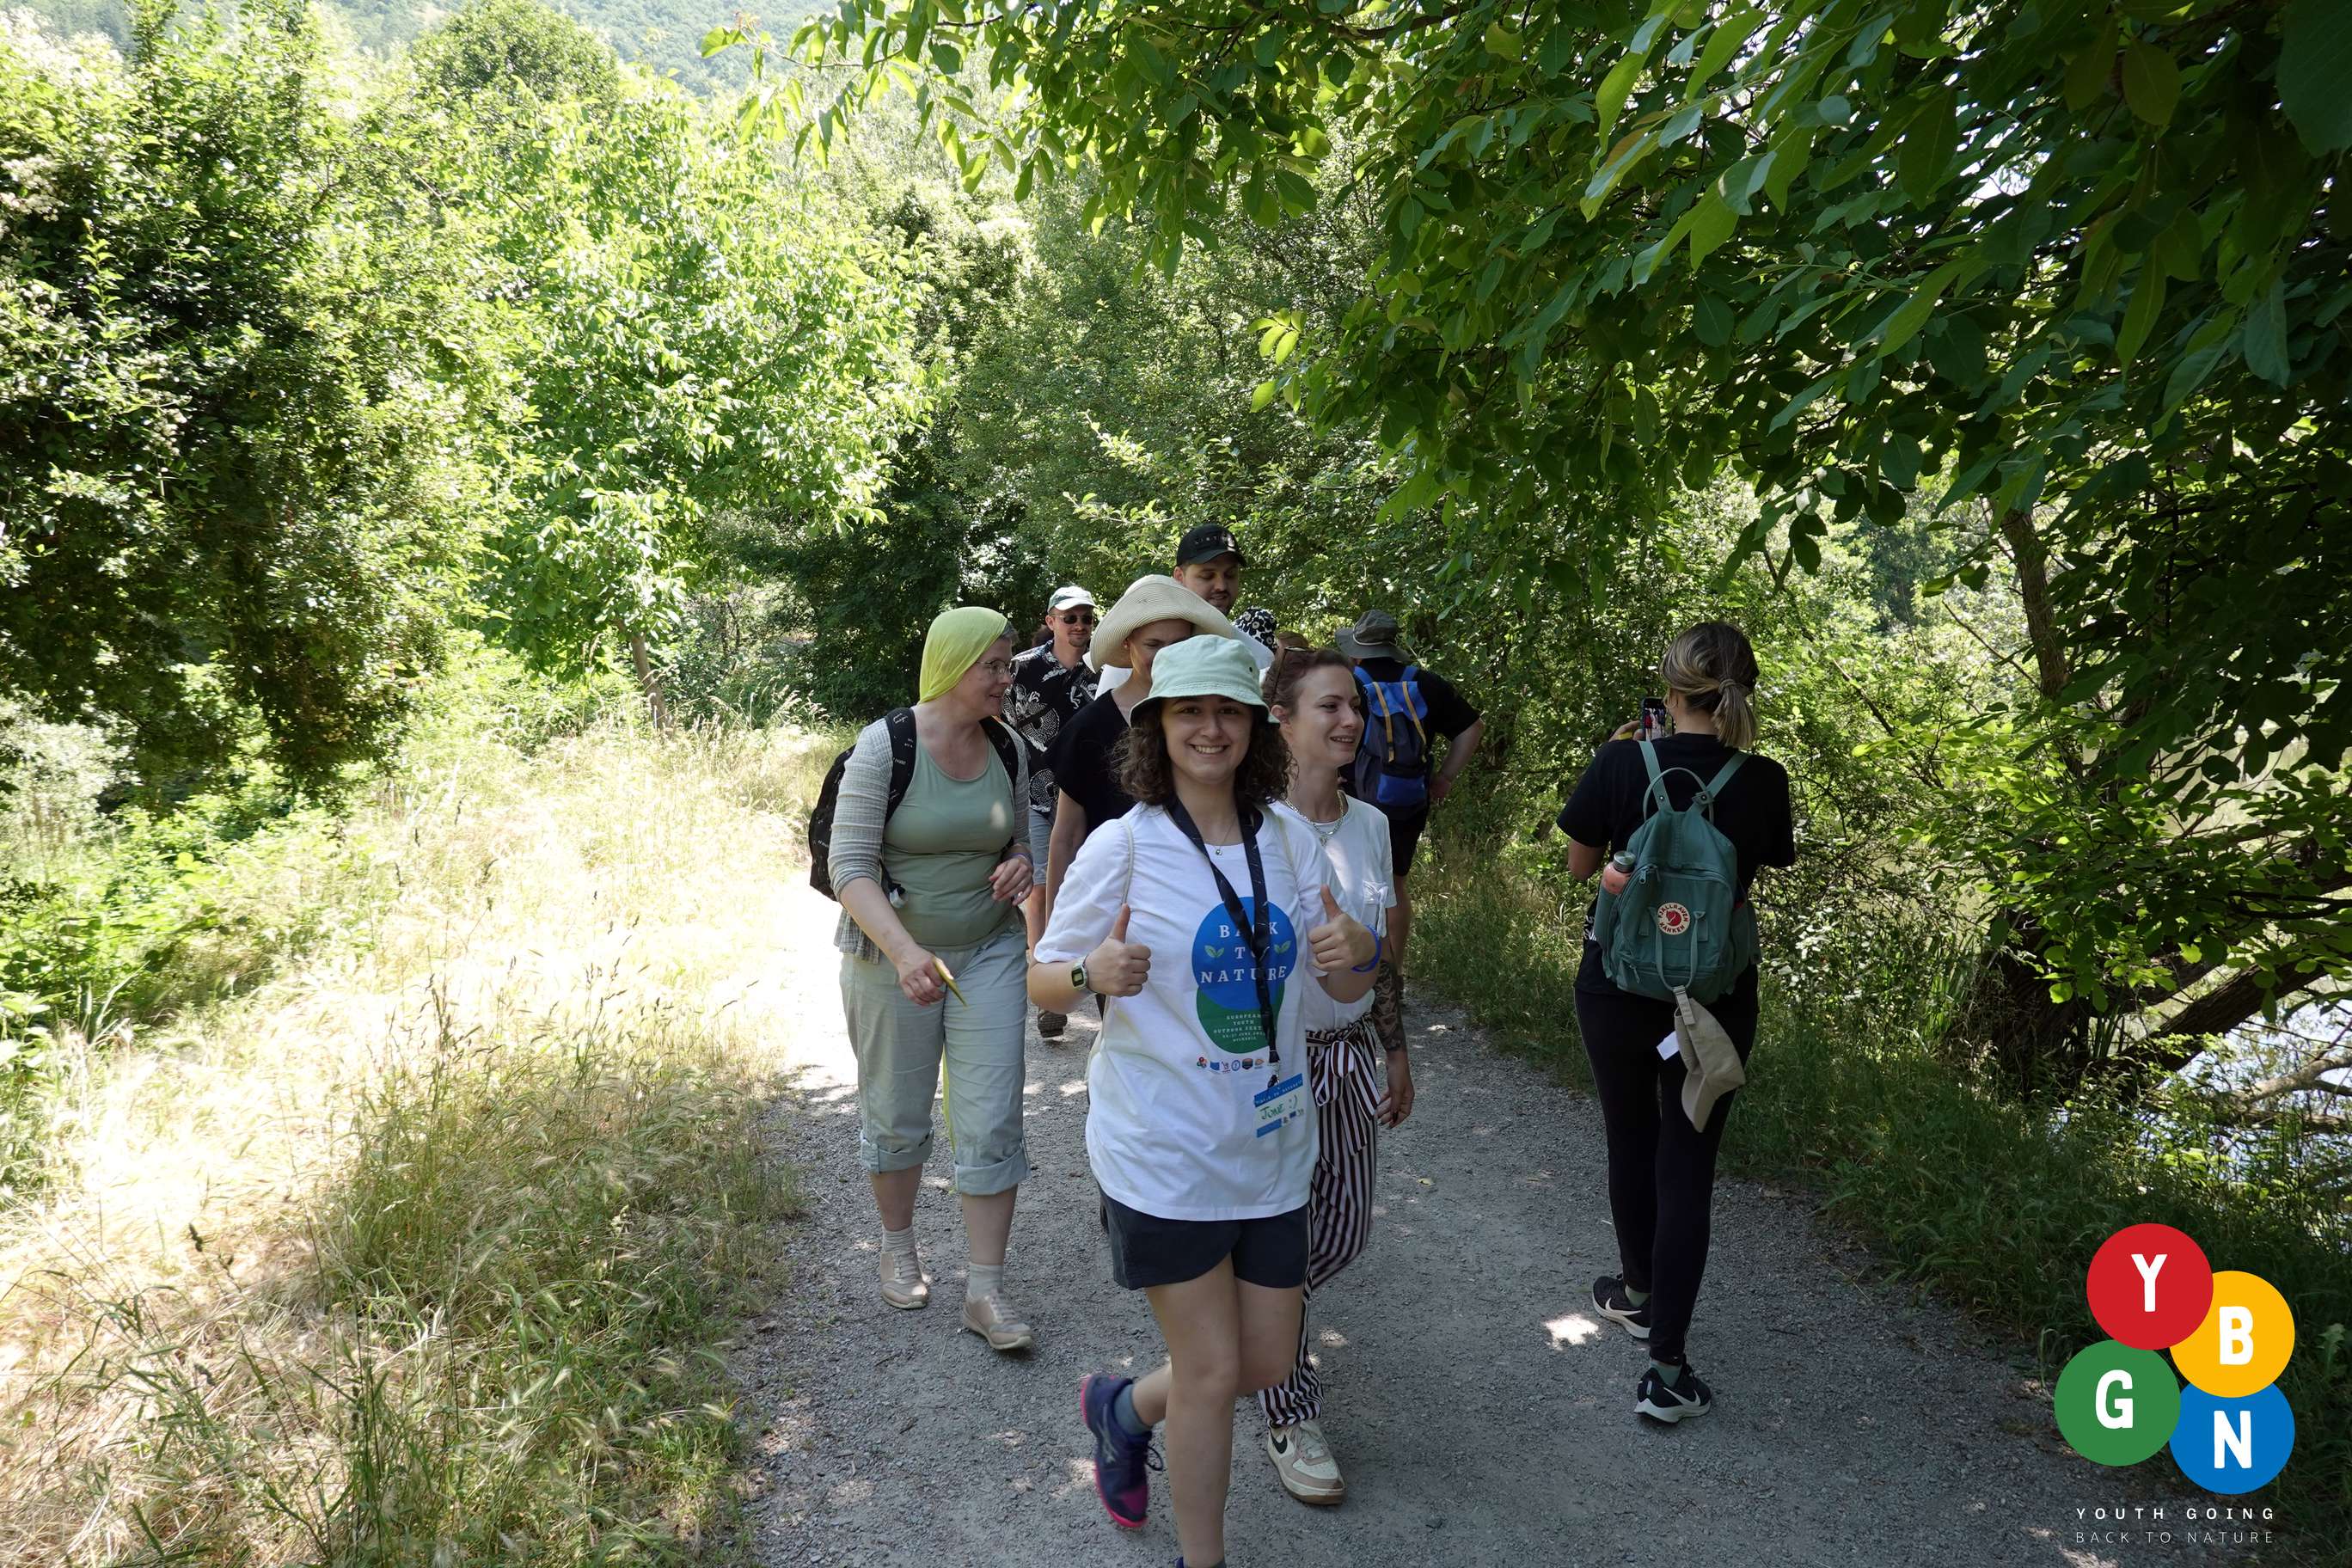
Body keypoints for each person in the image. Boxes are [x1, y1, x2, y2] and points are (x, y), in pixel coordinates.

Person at [1029, 635, 1378, 1568]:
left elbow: (1343, 984)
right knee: (1216, 1371)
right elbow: (1042, 978)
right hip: (1164, 1150)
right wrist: (1090, 972)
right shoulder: (1126, 845)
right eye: (1189, 712)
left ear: (1257, 727)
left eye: (1228, 712)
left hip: (1274, 1144)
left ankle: (1122, 1408)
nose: (1211, 730)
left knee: (1264, 1364)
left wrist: (1361, 955)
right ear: (1157, 726)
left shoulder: (1288, 838)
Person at [1556, 621, 1796, 1422]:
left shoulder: (1622, 761)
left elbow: (1581, 867)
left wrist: (1619, 764)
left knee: (1630, 1139)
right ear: (1741, 692)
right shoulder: (1763, 780)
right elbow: (1746, 882)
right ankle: (1666, 1371)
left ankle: (1636, 1292)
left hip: (1616, 987)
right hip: (1713, 1001)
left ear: (1668, 689)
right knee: (1687, 1164)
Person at [828, 606, 1040, 1353]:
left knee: (992, 1115)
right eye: (994, 666)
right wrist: (904, 952)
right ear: (952, 665)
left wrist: (1022, 864)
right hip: (892, 957)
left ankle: (985, 1289)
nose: (1007, 679)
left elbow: (1021, 840)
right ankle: (899, 1248)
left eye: (1009, 664)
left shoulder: (1009, 747)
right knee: (896, 1112)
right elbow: (848, 865)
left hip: (989, 952)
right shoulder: (885, 747)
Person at [1255, 646, 1414, 1506]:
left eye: (1355, 705)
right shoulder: (1251, 829)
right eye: (1329, 706)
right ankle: (1289, 1409)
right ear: (1280, 720)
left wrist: (1396, 1048)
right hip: (1271, 1069)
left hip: (1348, 1054)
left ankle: (1241, 1326)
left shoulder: (1372, 826)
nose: (1351, 720)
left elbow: (1382, 954)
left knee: (1344, 1230)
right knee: (1283, 1240)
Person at [1038, 575, 1239, 940]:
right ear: (1128, 643)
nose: (1166, 656)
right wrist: (1054, 935)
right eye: (1153, 644)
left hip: (1205, 906)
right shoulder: (1090, 728)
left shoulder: (1217, 723)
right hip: (1117, 912)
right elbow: (1066, 835)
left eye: (1178, 644)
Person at [1333, 609, 1484, 1048]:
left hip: (1354, 797)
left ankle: (1354, 973)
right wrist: (1445, 778)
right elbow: (1472, 728)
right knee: (1394, 884)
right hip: (1407, 800)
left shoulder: (1350, 683)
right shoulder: (1426, 683)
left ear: (1358, 650)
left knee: (1345, 881)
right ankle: (1392, 980)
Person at [1002, 585, 1099, 1038]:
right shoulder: (1022, 668)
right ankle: (1045, 980)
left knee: (1087, 887)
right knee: (1040, 887)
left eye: (1086, 618)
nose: (1079, 626)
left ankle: (1083, 973)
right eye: (1070, 617)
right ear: (1051, 621)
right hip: (1034, 795)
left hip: (1086, 799)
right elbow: (997, 724)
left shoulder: (1104, 669)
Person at [1094, 527, 1272, 700]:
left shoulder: (1257, 658)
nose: (1221, 586)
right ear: (1179, 577)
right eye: (1207, 576)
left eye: (1230, 575)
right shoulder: (1138, 656)